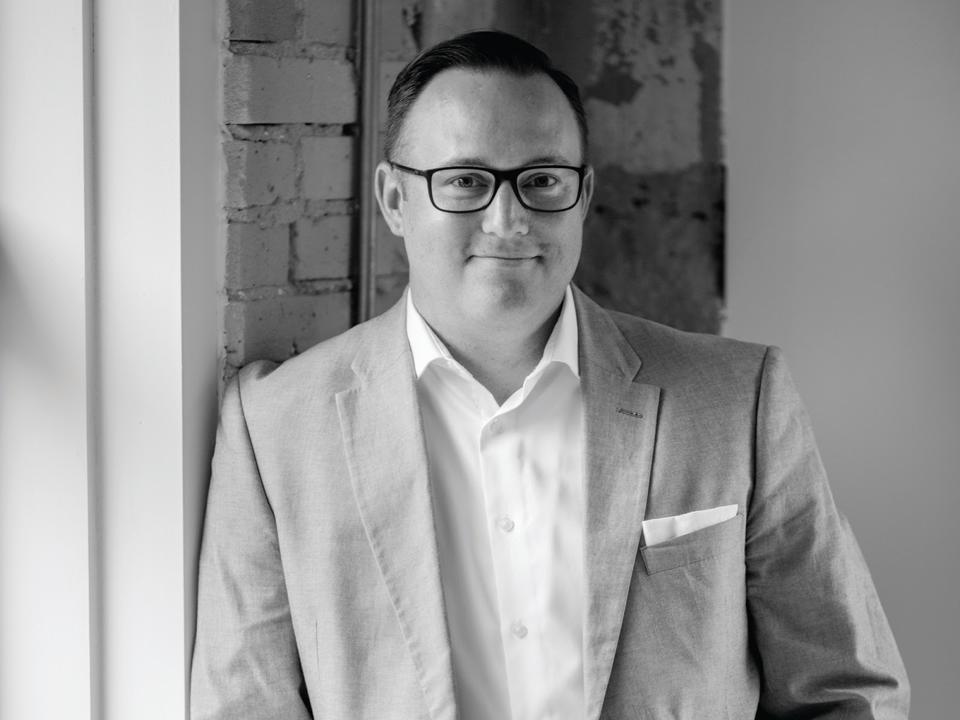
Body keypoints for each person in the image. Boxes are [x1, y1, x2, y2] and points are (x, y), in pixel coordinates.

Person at [190, 30, 908, 720]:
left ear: (584, 195)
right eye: (465, 180)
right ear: (394, 200)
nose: (508, 219)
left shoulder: (736, 399)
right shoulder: (276, 425)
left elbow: (846, 693)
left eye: (541, 181)